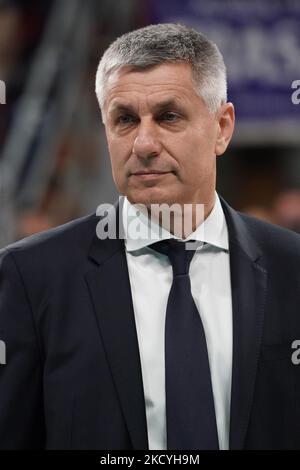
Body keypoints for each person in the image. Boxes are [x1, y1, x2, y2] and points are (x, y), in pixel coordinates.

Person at [0, 23, 300, 451]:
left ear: (222, 127)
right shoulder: (32, 276)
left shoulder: (291, 267)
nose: (143, 143)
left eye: (168, 116)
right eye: (124, 119)